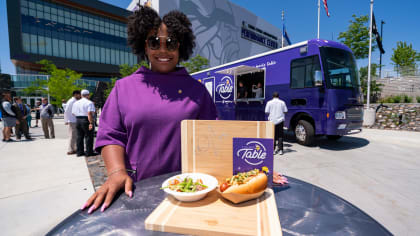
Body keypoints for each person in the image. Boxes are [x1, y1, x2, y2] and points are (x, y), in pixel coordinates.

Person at [81, 6, 217, 214]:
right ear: (144, 46)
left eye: (171, 43)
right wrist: (117, 172)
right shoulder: (123, 88)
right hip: (136, 191)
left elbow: (217, 137)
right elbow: (110, 136)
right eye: (155, 42)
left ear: (181, 47)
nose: (163, 50)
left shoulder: (197, 90)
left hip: (187, 192)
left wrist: (251, 168)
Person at [72, 90, 96, 157]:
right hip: (86, 120)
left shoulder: (76, 103)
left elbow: (73, 113)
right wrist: (91, 123)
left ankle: (79, 152)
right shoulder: (89, 103)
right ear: (88, 95)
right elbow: (89, 113)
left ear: (81, 95)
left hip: (78, 119)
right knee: (89, 136)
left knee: (79, 136)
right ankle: (89, 152)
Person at [64, 90, 81, 155]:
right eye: (79, 94)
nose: (80, 96)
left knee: (75, 135)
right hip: (72, 120)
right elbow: (66, 111)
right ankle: (70, 150)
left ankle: (74, 148)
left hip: (75, 120)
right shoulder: (71, 101)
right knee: (72, 135)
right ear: (75, 94)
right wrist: (66, 120)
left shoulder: (74, 101)